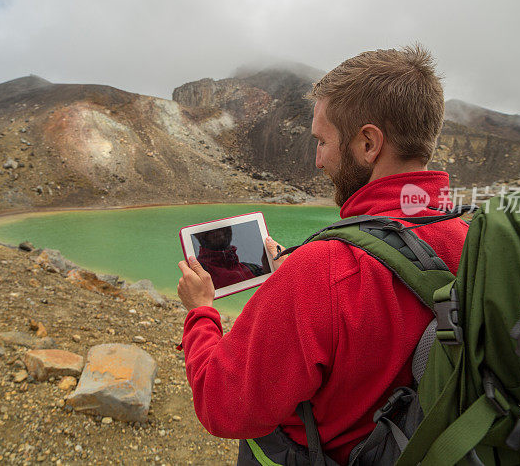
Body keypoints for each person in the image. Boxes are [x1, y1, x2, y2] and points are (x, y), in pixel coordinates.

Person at [177, 45, 469, 465]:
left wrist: (201, 312)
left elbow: (222, 406)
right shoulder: (471, 237)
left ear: (368, 143)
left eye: (322, 141)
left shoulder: (323, 271)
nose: (318, 160)